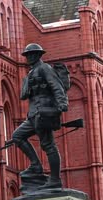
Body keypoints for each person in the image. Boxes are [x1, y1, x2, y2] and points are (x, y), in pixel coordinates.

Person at [12, 43, 68, 190]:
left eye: (31, 54)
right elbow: (23, 95)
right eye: (27, 55)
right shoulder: (31, 73)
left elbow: (57, 86)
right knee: (17, 136)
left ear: (38, 55)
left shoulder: (45, 68)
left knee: (48, 145)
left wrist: (62, 104)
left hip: (45, 112)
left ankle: (55, 179)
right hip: (33, 114)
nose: (29, 57)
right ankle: (36, 165)